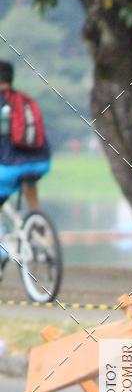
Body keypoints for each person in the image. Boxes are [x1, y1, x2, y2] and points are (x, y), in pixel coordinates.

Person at [0, 60, 51, 272]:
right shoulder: (25, 100)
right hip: (40, 163)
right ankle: (36, 217)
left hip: (9, 168)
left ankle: (2, 252)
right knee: (28, 178)